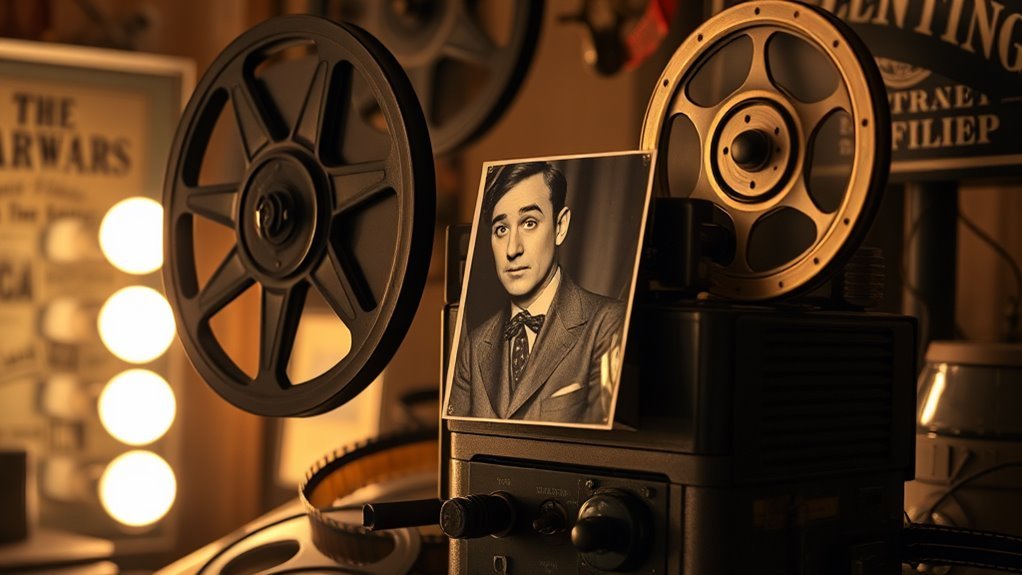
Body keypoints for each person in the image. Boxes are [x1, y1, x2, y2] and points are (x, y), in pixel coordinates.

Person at [446, 161, 625, 424]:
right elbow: (459, 442)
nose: (512, 249)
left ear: (560, 226)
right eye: (501, 229)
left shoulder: (607, 322)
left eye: (529, 223)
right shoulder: (474, 345)